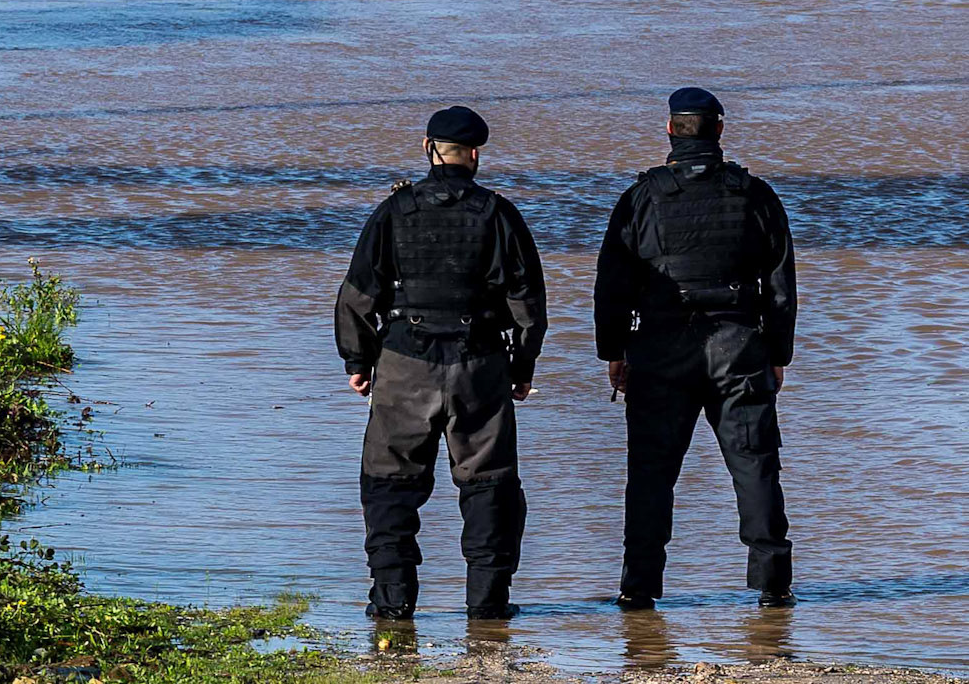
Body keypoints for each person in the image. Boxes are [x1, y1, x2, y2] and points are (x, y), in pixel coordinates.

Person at [334, 105, 546, 622]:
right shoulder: (498, 213)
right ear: (475, 154)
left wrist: (356, 361)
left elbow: (356, 297)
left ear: (429, 149)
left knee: (389, 484)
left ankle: (391, 605)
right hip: (480, 361)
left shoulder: (393, 211)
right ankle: (488, 607)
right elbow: (529, 306)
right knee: (489, 483)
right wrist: (522, 368)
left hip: (405, 359)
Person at [594, 87, 797, 611]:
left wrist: (613, 350)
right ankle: (774, 587)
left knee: (651, 472)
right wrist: (778, 353)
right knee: (755, 466)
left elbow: (612, 280)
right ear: (720, 131)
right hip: (739, 344)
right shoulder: (755, 194)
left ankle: (638, 589)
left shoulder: (641, 196)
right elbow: (780, 282)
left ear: (669, 130)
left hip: (660, 347)